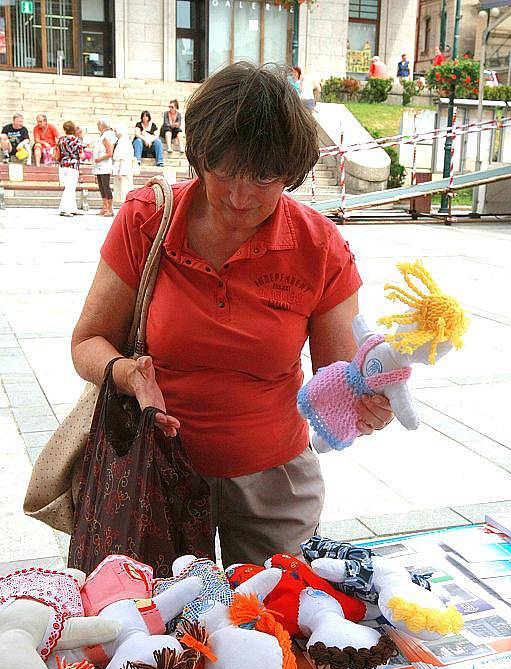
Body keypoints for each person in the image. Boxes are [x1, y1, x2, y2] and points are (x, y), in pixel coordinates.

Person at [70, 63, 393, 568]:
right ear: (199, 155)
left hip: (273, 482)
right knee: (163, 630)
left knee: (274, 626)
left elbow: (342, 379)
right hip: (155, 475)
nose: (240, 197)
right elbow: (88, 341)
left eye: (265, 178)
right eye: (223, 172)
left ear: (292, 172)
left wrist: (368, 401)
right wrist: (128, 374)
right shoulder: (147, 218)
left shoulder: (319, 246)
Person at [55, 120, 83, 217]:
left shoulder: (61, 139)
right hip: (73, 165)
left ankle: (73, 208)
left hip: (63, 165)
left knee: (69, 187)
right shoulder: (76, 140)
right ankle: (64, 209)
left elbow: (58, 152)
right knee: (70, 188)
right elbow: (81, 154)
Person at [92, 118, 116, 217]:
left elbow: (110, 152)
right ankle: (104, 207)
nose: (97, 126)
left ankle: (110, 209)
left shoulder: (106, 136)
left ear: (102, 126)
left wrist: (99, 159)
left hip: (104, 165)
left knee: (106, 187)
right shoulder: (103, 136)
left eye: (98, 125)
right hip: (99, 166)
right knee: (101, 187)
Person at [112, 124, 135, 206]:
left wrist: (119, 171)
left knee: (124, 188)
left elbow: (122, 157)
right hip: (121, 168)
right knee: (121, 188)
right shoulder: (121, 140)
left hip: (123, 169)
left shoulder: (124, 141)